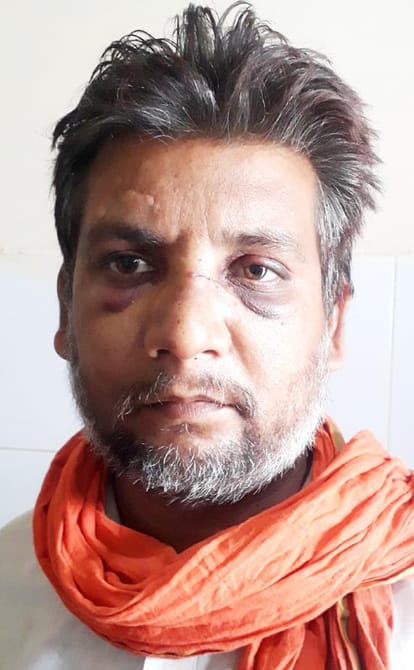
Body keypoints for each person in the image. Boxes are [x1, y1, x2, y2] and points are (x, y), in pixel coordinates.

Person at [1, 3, 413, 668]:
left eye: (256, 271)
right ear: (65, 313)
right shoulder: (8, 589)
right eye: (129, 265)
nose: (186, 335)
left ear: (333, 324)